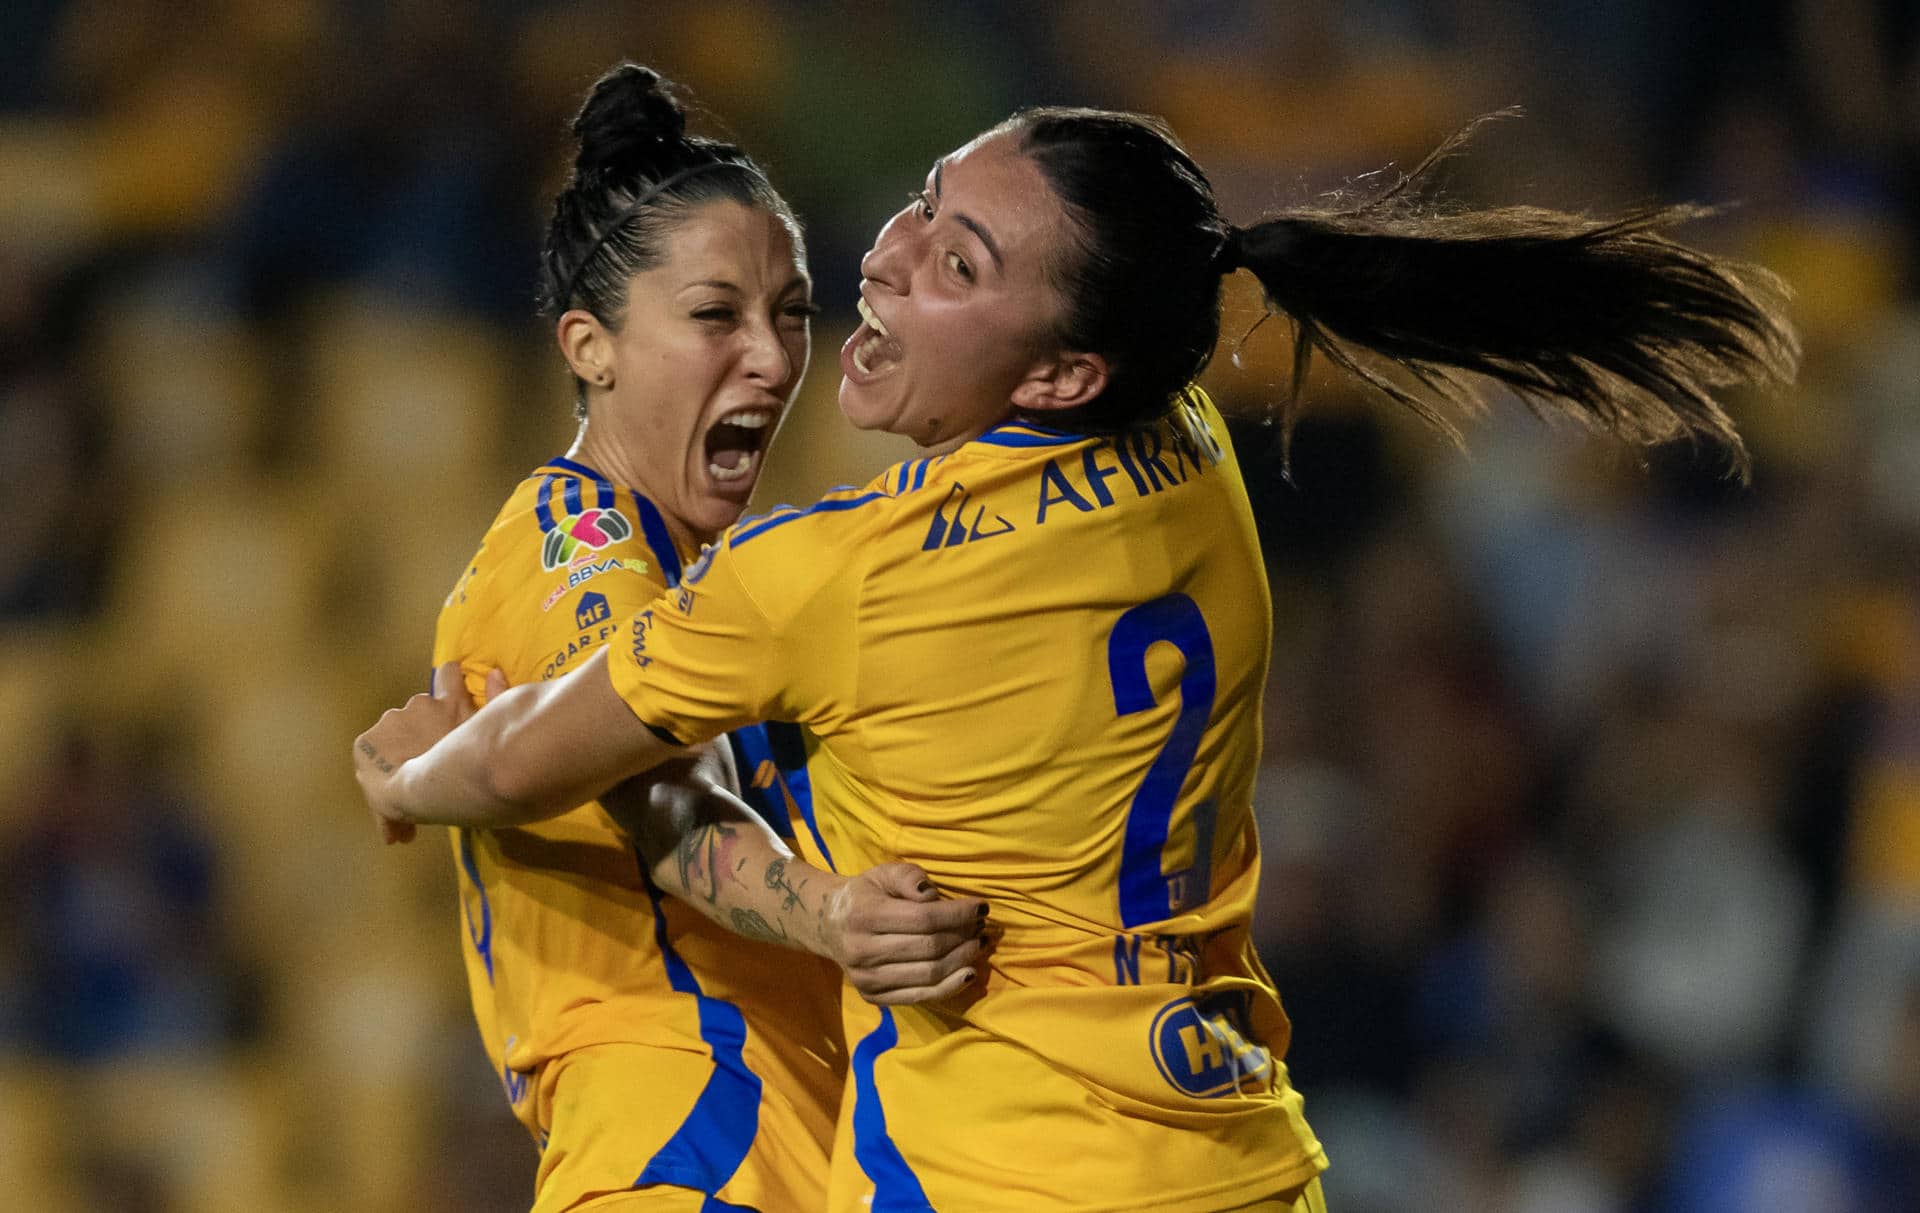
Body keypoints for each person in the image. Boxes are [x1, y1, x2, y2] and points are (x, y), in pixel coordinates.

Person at [356, 104, 1798, 1211]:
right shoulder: (1197, 461)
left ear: (1060, 375)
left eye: (958, 264)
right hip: (1235, 1154)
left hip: (1008, 1166)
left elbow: (534, 757)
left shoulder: (830, 580)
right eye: (923, 210)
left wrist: (411, 764)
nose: (889, 260)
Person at [405, 64, 984, 1213]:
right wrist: (835, 915)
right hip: (679, 1136)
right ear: (590, 346)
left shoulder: (734, 585)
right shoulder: (572, 538)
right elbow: (661, 800)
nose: (770, 358)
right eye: (716, 315)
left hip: (784, 1135)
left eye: (789, 312)